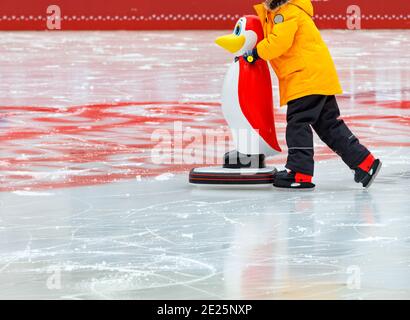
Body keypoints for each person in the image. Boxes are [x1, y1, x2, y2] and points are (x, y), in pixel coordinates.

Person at [243, 0, 382, 189]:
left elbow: (278, 42)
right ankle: (365, 163)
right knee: (329, 125)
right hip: (317, 76)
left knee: (298, 123)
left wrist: (255, 53)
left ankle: (299, 173)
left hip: (305, 77)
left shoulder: (286, 12)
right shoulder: (284, 11)